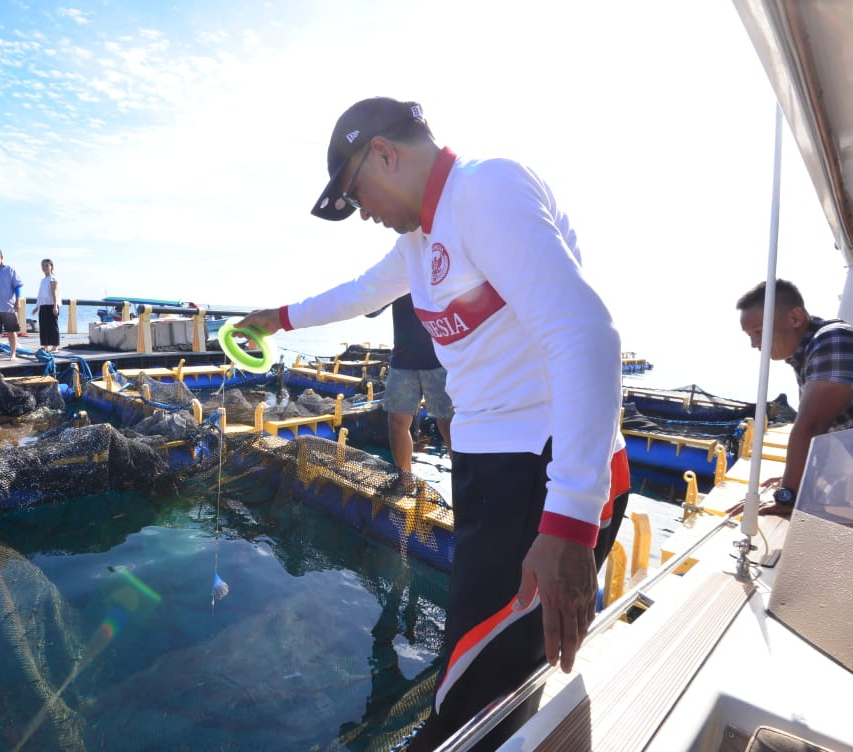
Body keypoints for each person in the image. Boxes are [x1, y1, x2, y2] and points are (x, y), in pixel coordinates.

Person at [238, 97, 629, 751]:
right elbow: (357, 293)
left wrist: (569, 524)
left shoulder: (487, 188)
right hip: (490, 480)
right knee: (486, 691)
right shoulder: (418, 239)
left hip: (543, 476)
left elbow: (586, 335)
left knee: (465, 703)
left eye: (357, 191)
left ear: (386, 153)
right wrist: (274, 319)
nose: (363, 211)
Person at [734, 279, 853, 514]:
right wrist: (793, 479)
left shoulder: (833, 340)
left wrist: (787, 497)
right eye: (750, 335)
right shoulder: (807, 354)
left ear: (795, 318)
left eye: (758, 331)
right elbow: (820, 439)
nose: (754, 344)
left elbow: (811, 426)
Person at [383, 294, 453, 490]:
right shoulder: (398, 271)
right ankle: (405, 481)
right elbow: (372, 309)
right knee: (397, 424)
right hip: (402, 362)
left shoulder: (438, 266)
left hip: (440, 360)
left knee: (450, 426)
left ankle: (463, 484)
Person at [31, 258, 61, 353]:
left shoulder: (53, 279)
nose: (44, 267)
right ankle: (45, 345)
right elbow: (40, 294)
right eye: (43, 265)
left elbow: (54, 293)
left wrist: (55, 306)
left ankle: (55, 346)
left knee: (52, 326)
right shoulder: (43, 280)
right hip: (43, 305)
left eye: (47, 265)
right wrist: (37, 306)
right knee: (43, 326)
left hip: (52, 304)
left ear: (51, 267)